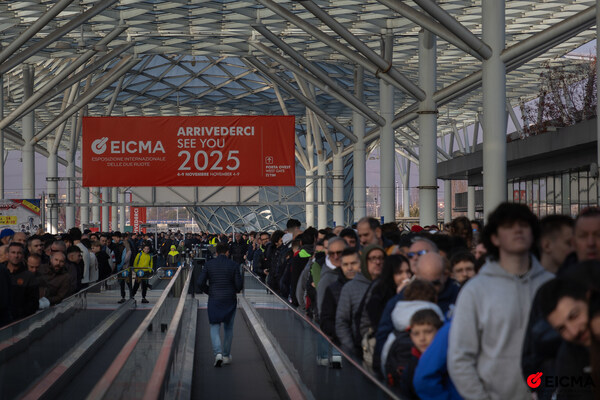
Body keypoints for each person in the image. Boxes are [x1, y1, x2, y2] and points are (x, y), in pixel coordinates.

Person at [448, 202, 553, 400]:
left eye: (524, 225)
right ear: (494, 238)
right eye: (509, 226)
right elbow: (459, 358)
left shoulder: (551, 285)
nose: (518, 230)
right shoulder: (476, 290)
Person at [197, 243, 243, 367]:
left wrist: (209, 291)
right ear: (227, 252)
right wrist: (233, 290)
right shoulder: (234, 265)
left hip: (214, 299)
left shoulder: (209, 264)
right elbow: (239, 285)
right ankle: (226, 355)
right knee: (228, 328)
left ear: (216, 253)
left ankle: (217, 353)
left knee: (214, 326)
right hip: (229, 300)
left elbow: (200, 282)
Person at [335, 244, 385, 357]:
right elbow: (341, 322)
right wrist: (353, 350)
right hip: (359, 353)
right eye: (373, 258)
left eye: (381, 258)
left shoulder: (390, 285)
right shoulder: (350, 288)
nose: (377, 262)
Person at [399, 309, 444, 399]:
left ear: (439, 332)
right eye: (416, 334)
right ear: (411, 336)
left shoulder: (447, 360)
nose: (422, 338)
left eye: (428, 332)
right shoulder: (410, 368)